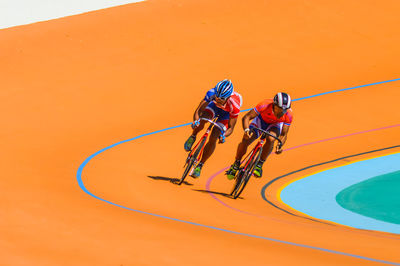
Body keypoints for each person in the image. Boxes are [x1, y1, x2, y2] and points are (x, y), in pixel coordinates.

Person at [226, 92, 293, 180]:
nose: (282, 112)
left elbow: (284, 134)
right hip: (261, 121)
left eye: (285, 109)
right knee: (246, 140)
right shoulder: (264, 104)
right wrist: (246, 130)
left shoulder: (289, 114)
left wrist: (280, 145)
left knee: (271, 139)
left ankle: (259, 164)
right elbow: (246, 117)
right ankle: (236, 163)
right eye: (280, 108)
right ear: (274, 105)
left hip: (275, 125)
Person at [184, 79, 243, 178]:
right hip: (214, 108)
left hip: (226, 114)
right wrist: (196, 121)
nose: (218, 99)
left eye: (222, 99)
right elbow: (199, 110)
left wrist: (223, 135)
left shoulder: (235, 105)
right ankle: (193, 136)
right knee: (204, 118)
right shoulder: (211, 93)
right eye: (217, 97)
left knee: (214, 135)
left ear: (228, 97)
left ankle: (200, 165)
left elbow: (231, 127)